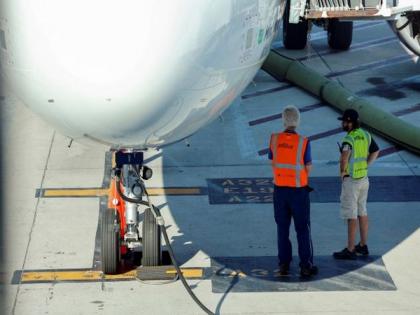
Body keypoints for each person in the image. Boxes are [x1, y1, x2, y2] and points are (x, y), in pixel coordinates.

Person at [269, 105, 317, 277]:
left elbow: (272, 162)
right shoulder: (304, 142)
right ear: (298, 121)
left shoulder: (274, 139)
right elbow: (308, 166)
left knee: (282, 229)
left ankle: (283, 264)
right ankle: (305, 265)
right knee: (302, 229)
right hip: (298, 191)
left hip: (280, 191)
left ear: (283, 120)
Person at [333, 109, 380, 260]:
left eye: (344, 121)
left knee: (351, 214)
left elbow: (344, 158)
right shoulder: (366, 135)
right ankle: (363, 245)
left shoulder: (349, 139)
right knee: (362, 211)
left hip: (352, 181)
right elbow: (376, 150)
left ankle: (351, 249)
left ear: (350, 122)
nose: (342, 124)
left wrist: (342, 173)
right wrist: (366, 165)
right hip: (364, 179)